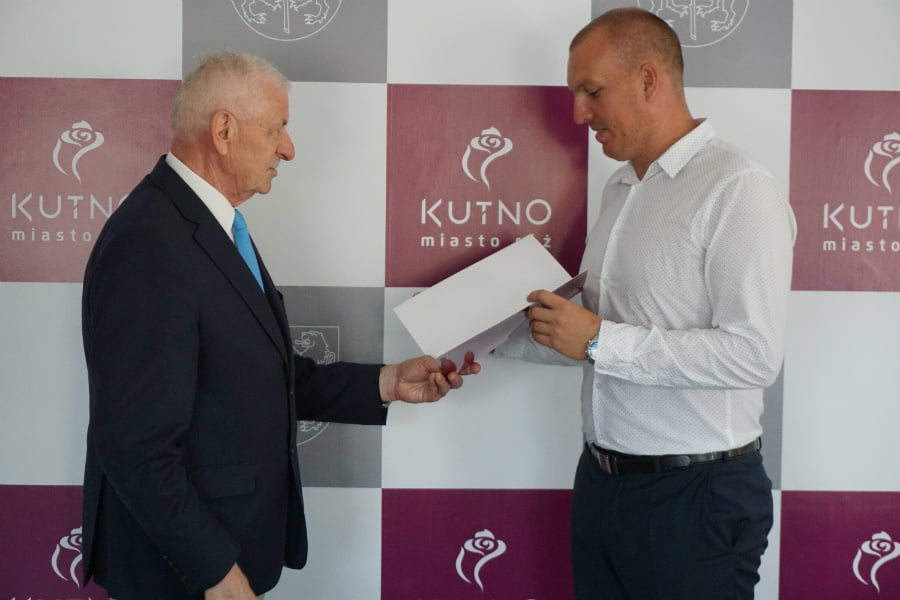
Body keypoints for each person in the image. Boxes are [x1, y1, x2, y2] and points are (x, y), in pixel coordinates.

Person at [80, 51, 479, 600]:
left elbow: (256, 374)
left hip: (224, 553)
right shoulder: (149, 243)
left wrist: (386, 382)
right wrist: (216, 572)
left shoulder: (206, 225)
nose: (288, 149)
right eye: (277, 129)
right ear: (224, 130)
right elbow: (135, 447)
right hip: (179, 573)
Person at [496, 8, 795, 600]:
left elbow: (754, 355)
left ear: (649, 80)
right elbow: (591, 336)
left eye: (592, 91)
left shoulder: (738, 187)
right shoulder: (620, 188)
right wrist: (479, 339)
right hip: (602, 483)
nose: (578, 114)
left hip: (697, 498)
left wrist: (599, 340)